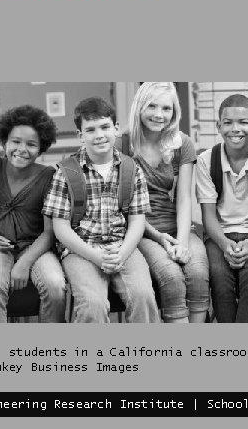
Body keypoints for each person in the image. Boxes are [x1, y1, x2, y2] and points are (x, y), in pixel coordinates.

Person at [43, 97, 160, 323]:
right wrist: (95, 256)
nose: (99, 135)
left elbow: (137, 221)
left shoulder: (131, 169)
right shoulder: (66, 172)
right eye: (90, 129)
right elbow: (61, 229)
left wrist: (123, 252)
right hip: (81, 250)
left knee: (143, 296)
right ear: (80, 136)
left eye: (105, 127)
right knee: (92, 305)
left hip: (122, 247)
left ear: (116, 128)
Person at [119, 82, 209, 323]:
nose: (159, 114)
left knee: (198, 273)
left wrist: (181, 241)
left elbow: (184, 198)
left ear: (174, 112)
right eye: (152, 106)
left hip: (176, 225)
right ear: (139, 107)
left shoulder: (182, 143)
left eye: (166, 108)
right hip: (141, 230)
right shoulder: (122, 144)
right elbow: (123, 206)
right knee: (171, 277)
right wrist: (160, 238)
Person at [0, 106, 66, 323]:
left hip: (35, 247)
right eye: (15, 141)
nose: (21, 149)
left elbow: (49, 232)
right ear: (4, 141)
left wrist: (24, 263)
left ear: (41, 148)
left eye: (31, 144)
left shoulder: (49, 176)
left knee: (55, 285)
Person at [196, 94, 248, 322]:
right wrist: (225, 244)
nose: (235, 129)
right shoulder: (206, 160)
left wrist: (247, 245)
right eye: (228, 123)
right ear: (218, 126)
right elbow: (208, 215)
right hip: (219, 234)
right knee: (219, 277)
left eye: (243, 122)